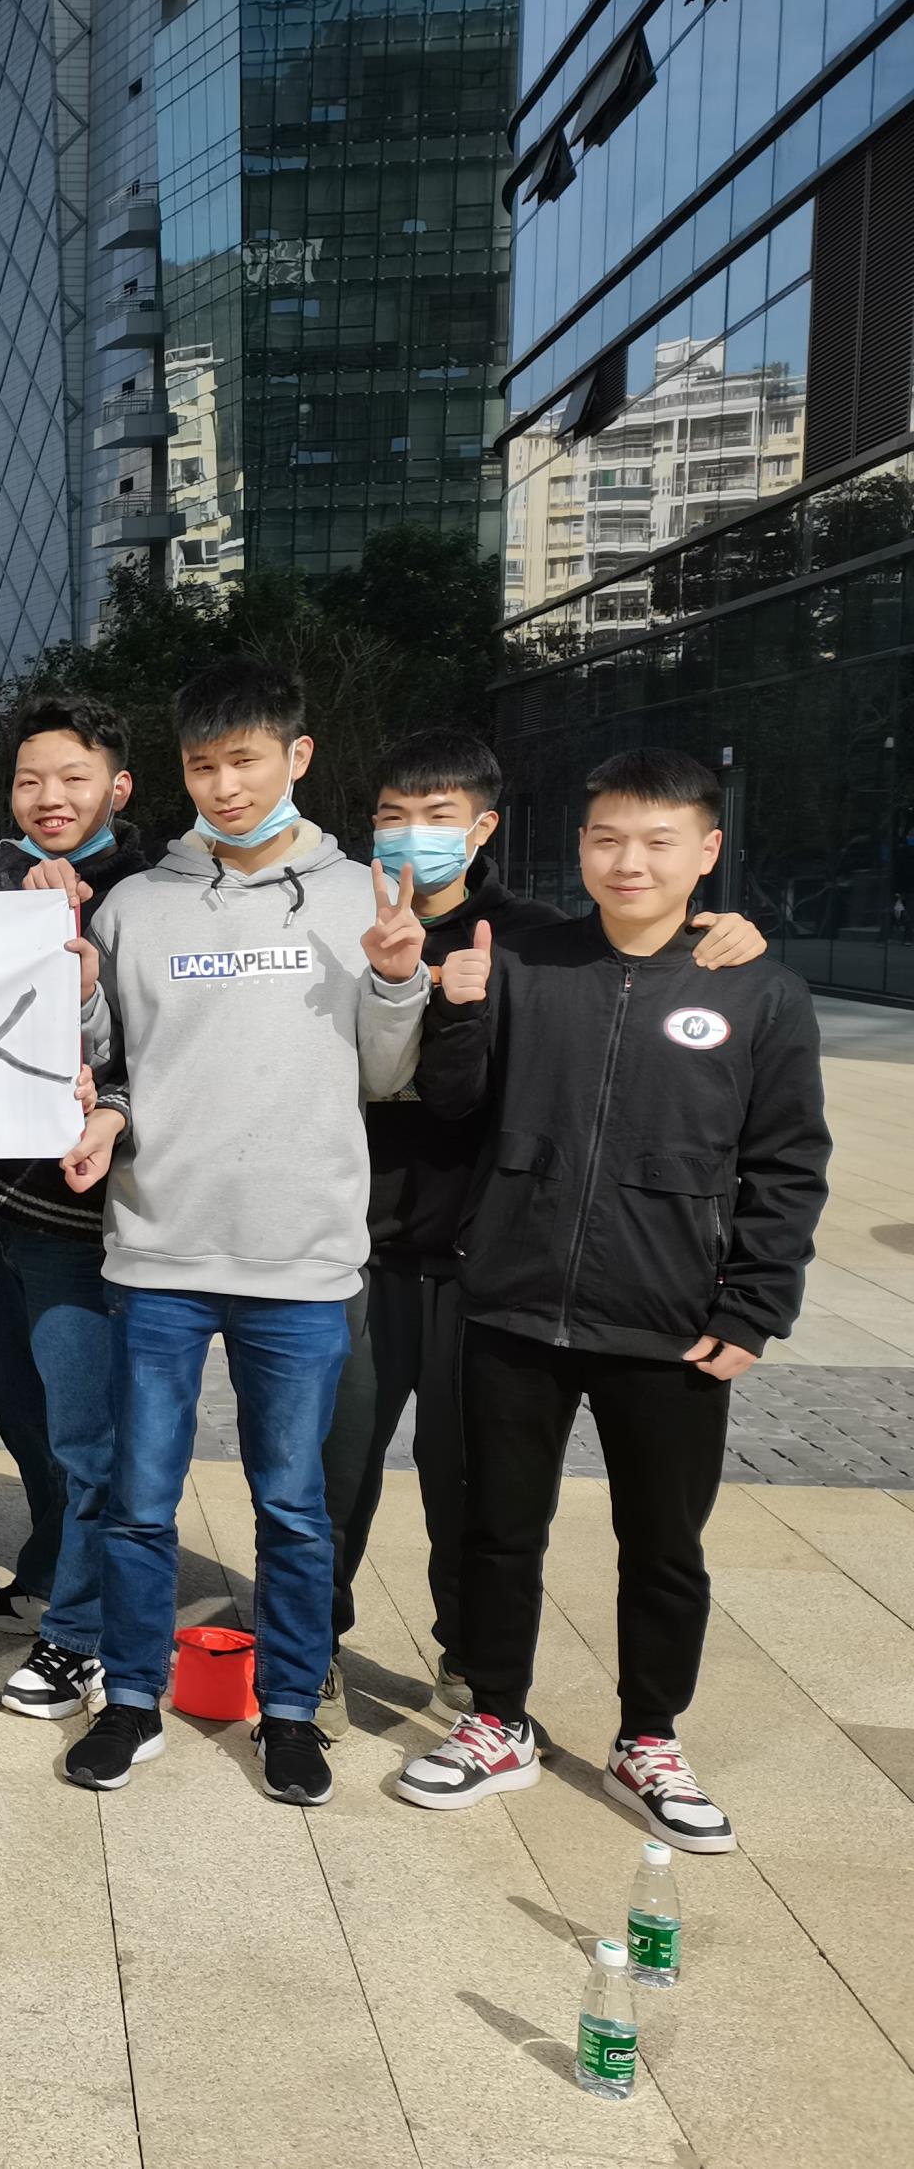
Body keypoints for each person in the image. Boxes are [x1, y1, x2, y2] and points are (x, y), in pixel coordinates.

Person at [393, 748, 828, 1853]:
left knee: (665, 1544)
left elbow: (787, 1164)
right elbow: (451, 1107)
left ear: (706, 852)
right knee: (498, 1529)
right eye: (606, 838)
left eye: (657, 840)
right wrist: (457, 1012)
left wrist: (752, 1307)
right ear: (580, 847)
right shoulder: (526, 960)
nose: (629, 861)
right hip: (513, 1300)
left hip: (670, 1320)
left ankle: (649, 1740)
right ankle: (496, 1719)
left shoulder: (757, 989)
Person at [318, 731, 770, 1734]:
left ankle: (471, 1662)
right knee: (330, 1473)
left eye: (437, 818)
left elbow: (635, 968)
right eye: (392, 816)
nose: (411, 835)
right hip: (348, 1247)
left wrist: (727, 933)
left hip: (481, 1264)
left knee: (471, 1490)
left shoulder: (532, 941)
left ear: (483, 827)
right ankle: (310, 1645)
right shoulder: (335, 921)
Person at [58, 660, 428, 1807]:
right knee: (138, 1502)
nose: (225, 785)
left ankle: (291, 1709)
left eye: (247, 761)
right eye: (204, 765)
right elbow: (108, 1063)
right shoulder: (137, 904)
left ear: (297, 758)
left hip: (301, 1258)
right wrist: (82, 992)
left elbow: (388, 1075)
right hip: (159, 1247)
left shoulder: (361, 897)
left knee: (295, 1510)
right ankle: (131, 1698)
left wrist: (397, 982)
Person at [0, 695, 145, 1722]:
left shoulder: (148, 893)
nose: (50, 798)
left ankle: (87, 1632)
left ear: (118, 787)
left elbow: (155, 1049)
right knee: (19, 1407)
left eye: (74, 779)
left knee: (86, 1433)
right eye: (31, 780)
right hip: (1, 1201)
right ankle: (46, 1567)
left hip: (87, 1219)